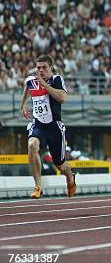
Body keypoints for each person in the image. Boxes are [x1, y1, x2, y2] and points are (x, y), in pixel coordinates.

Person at [20, 55, 76, 199]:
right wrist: (23, 105)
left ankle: (70, 177)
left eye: (44, 67)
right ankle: (38, 186)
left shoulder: (56, 79)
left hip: (54, 127)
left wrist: (44, 84)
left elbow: (62, 98)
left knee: (60, 165)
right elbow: (27, 88)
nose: (41, 70)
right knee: (32, 145)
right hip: (38, 124)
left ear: (50, 67)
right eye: (38, 67)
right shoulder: (31, 80)